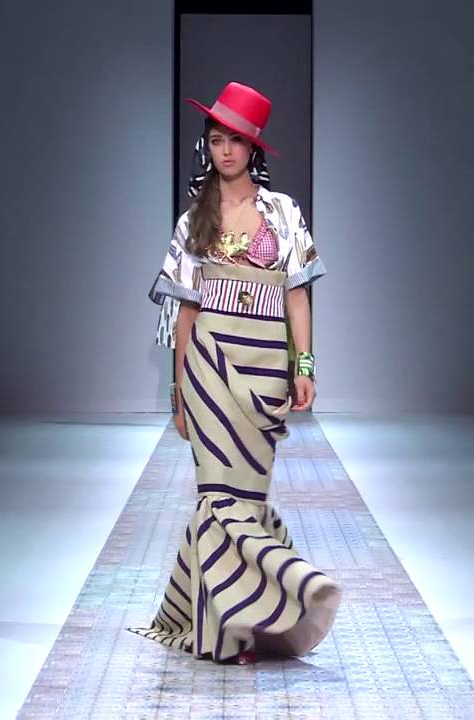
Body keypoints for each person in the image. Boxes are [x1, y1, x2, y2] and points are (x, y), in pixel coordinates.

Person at [128, 82, 341, 665]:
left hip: (266, 370)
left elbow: (297, 296)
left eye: (236, 141)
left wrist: (304, 363)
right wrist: (178, 391)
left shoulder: (284, 213)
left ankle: (241, 619)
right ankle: (229, 633)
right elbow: (185, 314)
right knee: (217, 497)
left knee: (246, 498)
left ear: (254, 148)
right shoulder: (192, 221)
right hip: (209, 367)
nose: (225, 151)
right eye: (216, 140)